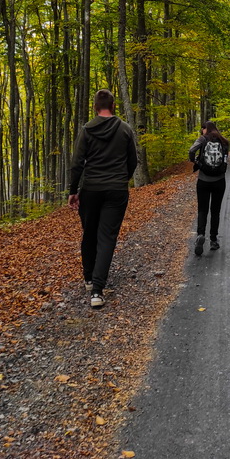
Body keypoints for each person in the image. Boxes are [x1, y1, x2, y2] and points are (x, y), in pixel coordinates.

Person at [68, 89, 137, 308]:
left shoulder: (87, 130)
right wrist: (121, 179)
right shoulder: (125, 129)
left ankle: (89, 279)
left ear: (95, 107)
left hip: (91, 189)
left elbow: (78, 162)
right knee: (107, 237)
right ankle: (97, 290)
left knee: (89, 233)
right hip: (116, 190)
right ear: (113, 105)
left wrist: (73, 190)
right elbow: (133, 161)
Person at [188, 121, 229, 256]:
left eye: (203, 129)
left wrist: (197, 162)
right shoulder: (223, 141)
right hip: (219, 181)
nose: (202, 131)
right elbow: (225, 160)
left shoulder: (202, 139)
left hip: (203, 180)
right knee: (215, 211)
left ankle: (200, 235)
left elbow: (191, 150)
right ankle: (213, 240)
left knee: (202, 210)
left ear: (206, 129)